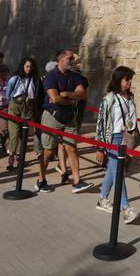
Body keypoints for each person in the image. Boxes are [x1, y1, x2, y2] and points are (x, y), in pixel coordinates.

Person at [35, 49, 93, 194]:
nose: (72, 60)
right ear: (61, 59)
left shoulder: (75, 76)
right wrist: (71, 100)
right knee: (48, 150)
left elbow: (82, 94)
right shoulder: (51, 76)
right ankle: (41, 180)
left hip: (69, 117)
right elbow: (54, 98)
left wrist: (66, 94)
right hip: (52, 117)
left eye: (72, 58)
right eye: (70, 58)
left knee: (72, 148)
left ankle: (77, 181)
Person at [95, 66, 138, 224]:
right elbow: (101, 123)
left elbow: (132, 120)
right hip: (112, 138)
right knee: (119, 172)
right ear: (119, 80)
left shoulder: (130, 97)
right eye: (127, 79)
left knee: (113, 172)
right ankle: (126, 208)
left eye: (130, 79)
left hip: (125, 138)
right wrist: (100, 147)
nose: (129, 82)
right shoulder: (109, 99)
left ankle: (102, 198)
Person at [57, 53, 89, 184]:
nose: (74, 64)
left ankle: (67, 171)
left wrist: (81, 113)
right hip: (62, 111)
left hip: (75, 112)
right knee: (61, 141)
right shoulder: (63, 76)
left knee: (70, 143)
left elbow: (84, 96)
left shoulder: (80, 79)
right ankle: (63, 169)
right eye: (72, 61)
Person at [5, 57, 41, 171]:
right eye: (27, 66)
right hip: (15, 105)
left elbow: (36, 94)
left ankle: (20, 158)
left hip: (27, 107)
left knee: (23, 133)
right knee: (14, 132)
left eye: (31, 67)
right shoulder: (15, 79)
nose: (29, 69)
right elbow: (8, 94)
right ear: (22, 66)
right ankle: (11, 158)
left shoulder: (35, 79)